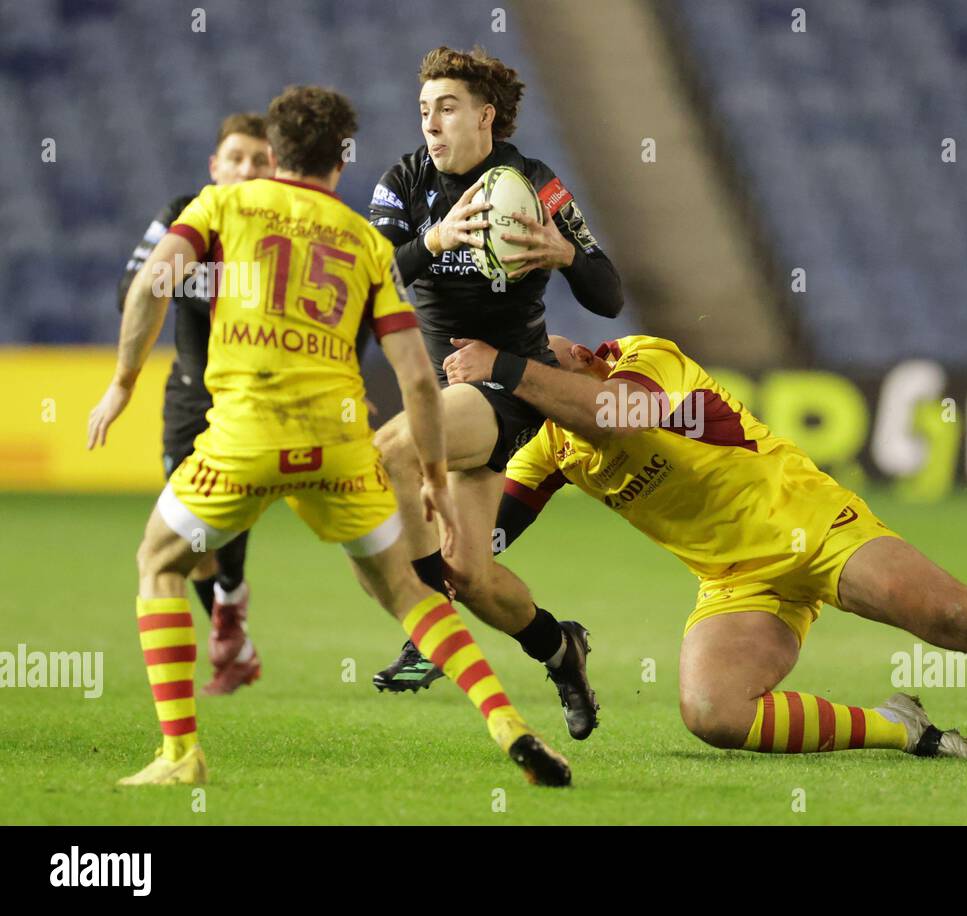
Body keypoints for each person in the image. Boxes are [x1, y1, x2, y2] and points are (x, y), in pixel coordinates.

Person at [406, 332, 967, 758]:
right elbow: (494, 537)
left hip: (816, 529)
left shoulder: (642, 362)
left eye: (549, 372)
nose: (545, 396)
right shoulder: (547, 448)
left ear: (579, 357)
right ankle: (903, 729)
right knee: (712, 714)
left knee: (959, 621)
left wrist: (506, 366)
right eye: (531, 392)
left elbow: (629, 416)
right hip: (735, 582)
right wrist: (447, 561)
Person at [87, 85, 569, 788]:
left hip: (244, 440)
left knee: (159, 562)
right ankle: (509, 724)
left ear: (272, 153)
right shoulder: (362, 243)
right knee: (406, 591)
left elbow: (151, 286)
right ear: (340, 162)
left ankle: (180, 754)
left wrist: (125, 381)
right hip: (339, 445)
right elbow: (414, 377)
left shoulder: (221, 205)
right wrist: (433, 476)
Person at [367, 46, 622, 741]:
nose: (431, 123)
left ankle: (427, 626)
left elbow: (608, 294)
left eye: (446, 108)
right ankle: (559, 647)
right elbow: (368, 280)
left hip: (507, 392)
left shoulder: (535, 186)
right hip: (443, 392)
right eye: (423, 110)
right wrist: (434, 238)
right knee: (475, 576)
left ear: (486, 116)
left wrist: (566, 255)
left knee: (391, 453)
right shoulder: (405, 182)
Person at [116, 113, 274, 695]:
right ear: (215, 167)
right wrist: (182, 270)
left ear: (276, 169)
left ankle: (230, 614)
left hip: (253, 397)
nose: (247, 169)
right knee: (192, 534)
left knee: (222, 516)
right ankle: (234, 625)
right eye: (236, 158)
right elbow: (127, 290)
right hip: (190, 395)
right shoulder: (185, 215)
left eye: (260, 160)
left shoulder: (282, 228)